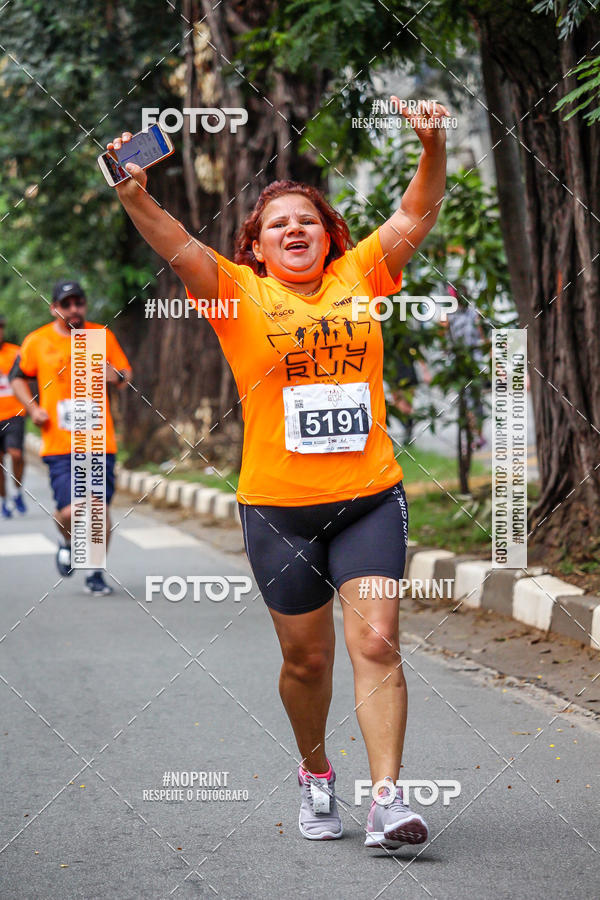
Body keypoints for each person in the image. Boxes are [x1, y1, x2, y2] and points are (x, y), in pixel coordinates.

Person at [109, 97, 448, 849]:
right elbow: (173, 243)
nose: (295, 230)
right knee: (307, 658)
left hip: (367, 497)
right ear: (256, 246)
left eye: (308, 221)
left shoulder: (363, 275)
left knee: (377, 642)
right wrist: (134, 193)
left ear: (330, 237)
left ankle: (387, 800)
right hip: (276, 507)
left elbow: (416, 212)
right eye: (277, 224)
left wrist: (433, 146)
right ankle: (316, 774)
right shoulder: (236, 292)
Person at [10, 280, 132, 595]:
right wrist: (33, 409)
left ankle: (95, 571)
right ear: (54, 308)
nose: (74, 309)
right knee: (69, 511)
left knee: (98, 508)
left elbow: (124, 376)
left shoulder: (98, 337)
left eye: (79, 303)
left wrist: (114, 375)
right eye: (67, 304)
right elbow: (18, 378)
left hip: (99, 441)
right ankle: (67, 541)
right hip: (59, 444)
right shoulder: (38, 341)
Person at [445, 285, 488, 450]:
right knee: (470, 401)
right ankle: (474, 435)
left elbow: (482, 338)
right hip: (462, 363)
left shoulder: (471, 314)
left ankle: (477, 435)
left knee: (474, 401)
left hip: (472, 363)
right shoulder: (450, 315)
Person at [0, 316, 27, 517]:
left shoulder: (16, 352)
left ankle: (17, 491)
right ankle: (4, 499)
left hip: (14, 413)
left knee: (16, 454)